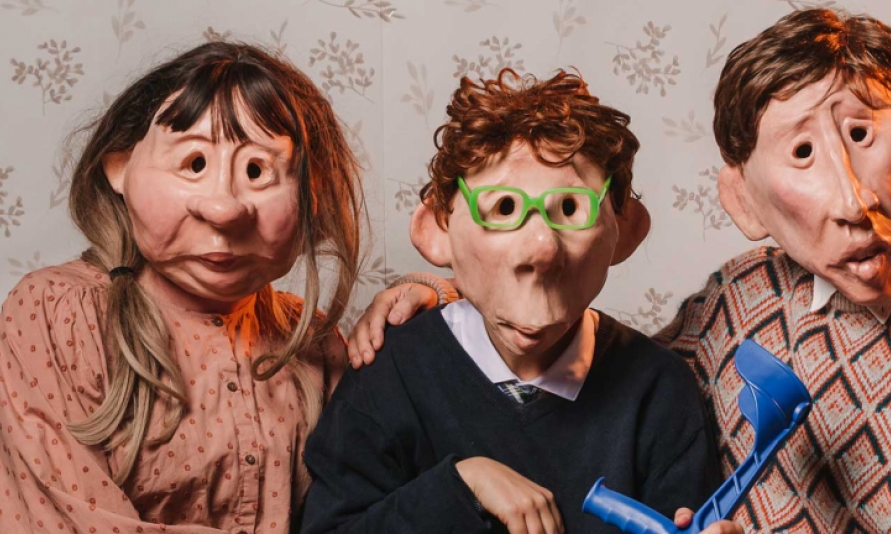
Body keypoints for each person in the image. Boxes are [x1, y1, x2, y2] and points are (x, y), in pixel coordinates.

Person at [349, 9, 891, 532]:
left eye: (861, 132)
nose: (853, 201)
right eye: (803, 153)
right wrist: (450, 294)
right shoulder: (739, 298)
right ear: (744, 201)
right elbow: (570, 351)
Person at [301, 69, 730, 534]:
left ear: (624, 229)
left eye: (570, 208)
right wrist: (461, 487)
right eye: (504, 208)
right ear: (438, 229)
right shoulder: (391, 372)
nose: (541, 250)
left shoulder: (658, 390)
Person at [0, 42, 365, 533]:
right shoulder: (56, 314)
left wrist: (433, 315)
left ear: (313, 196)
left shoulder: (311, 342)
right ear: (120, 168)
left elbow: (376, 510)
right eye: (195, 164)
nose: (223, 209)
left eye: (256, 171)